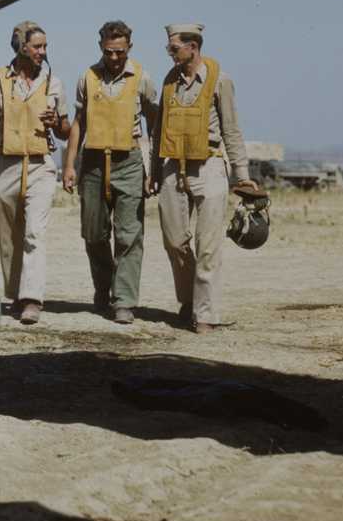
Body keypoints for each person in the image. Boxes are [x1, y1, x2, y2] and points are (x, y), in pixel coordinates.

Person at [153, 22, 252, 333]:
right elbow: (158, 132)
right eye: (168, 47)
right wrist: (154, 172)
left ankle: (205, 314)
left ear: (193, 47)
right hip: (173, 169)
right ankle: (189, 302)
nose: (169, 53)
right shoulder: (169, 82)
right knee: (174, 242)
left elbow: (232, 131)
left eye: (174, 47)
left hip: (209, 167)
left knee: (208, 246)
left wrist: (243, 176)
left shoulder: (220, 81)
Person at [62, 20, 159, 325]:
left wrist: (151, 168)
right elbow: (79, 123)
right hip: (92, 162)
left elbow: (153, 125)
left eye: (119, 52)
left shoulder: (142, 78)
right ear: (100, 47)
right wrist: (68, 165)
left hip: (129, 160)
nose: (114, 58)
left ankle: (124, 301)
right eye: (108, 52)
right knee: (94, 233)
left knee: (129, 235)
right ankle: (103, 290)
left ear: (129, 47)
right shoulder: (87, 77)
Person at [0, 20, 68, 325]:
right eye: (37, 46)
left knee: (34, 233)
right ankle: (15, 294)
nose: (43, 52)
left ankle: (32, 299)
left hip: (41, 165)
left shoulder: (53, 81)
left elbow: (66, 131)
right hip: (6, 166)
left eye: (45, 47)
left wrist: (56, 120)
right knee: (9, 237)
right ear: (21, 47)